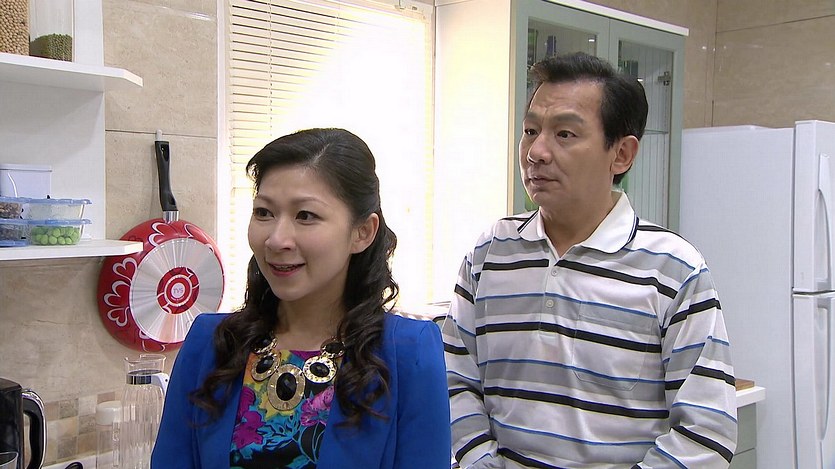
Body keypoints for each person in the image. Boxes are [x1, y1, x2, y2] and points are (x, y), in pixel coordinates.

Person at [442, 52, 737, 468]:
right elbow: (454, 381)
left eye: (564, 134)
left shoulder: (673, 269)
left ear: (622, 154)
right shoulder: (491, 252)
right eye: (530, 131)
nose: (536, 151)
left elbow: (706, 432)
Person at [152, 128, 451, 468]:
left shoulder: (408, 354)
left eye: (305, 216)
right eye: (264, 212)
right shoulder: (211, 344)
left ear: (362, 232)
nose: (276, 239)